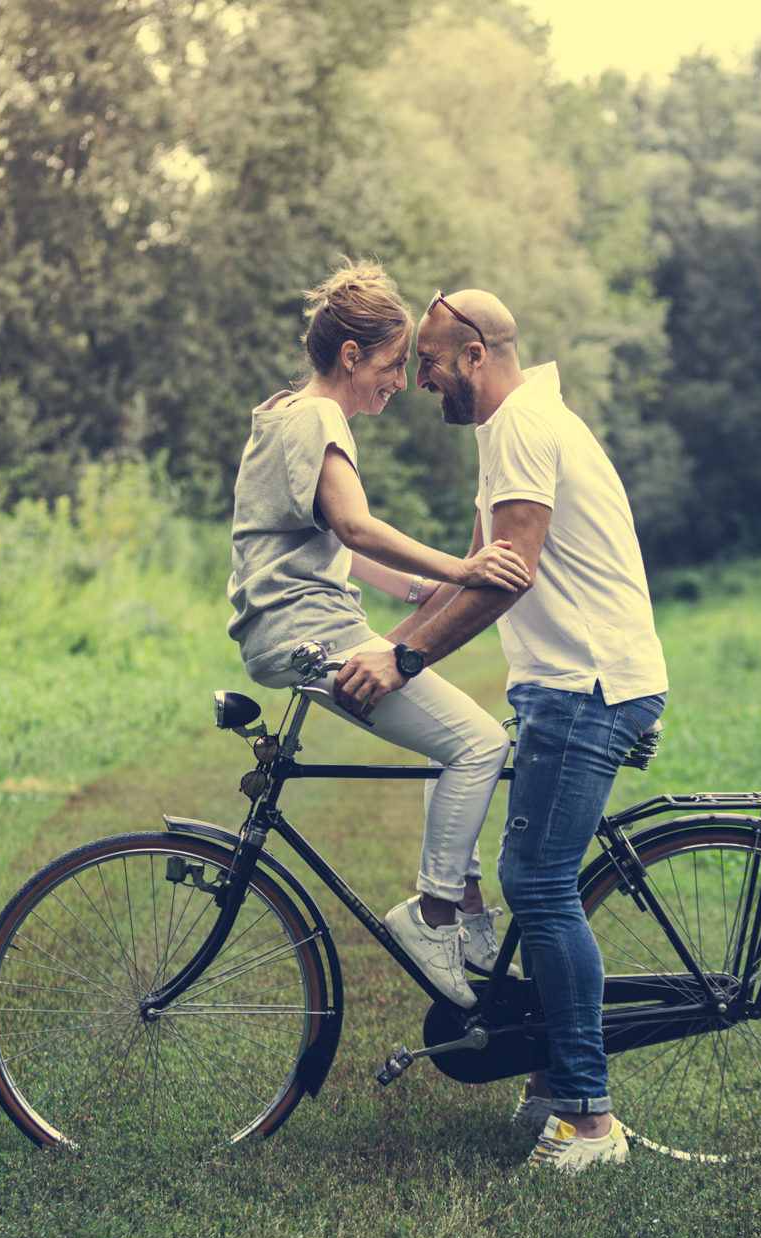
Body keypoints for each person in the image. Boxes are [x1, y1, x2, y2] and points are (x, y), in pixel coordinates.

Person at [335, 288, 668, 1173]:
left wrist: (402, 666)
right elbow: (469, 571)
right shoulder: (513, 428)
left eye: (432, 363)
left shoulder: (522, 423)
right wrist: (386, 647)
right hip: (574, 683)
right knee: (537, 875)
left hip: (583, 686)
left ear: (475, 353)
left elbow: (506, 578)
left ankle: (589, 1122)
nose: (420, 379)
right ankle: (555, 1081)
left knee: (541, 883)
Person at [226, 260, 530, 1009]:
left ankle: (464, 914)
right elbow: (358, 524)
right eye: (395, 365)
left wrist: (421, 588)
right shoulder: (321, 417)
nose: (401, 382)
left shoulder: (283, 412)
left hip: (293, 628)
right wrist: (465, 572)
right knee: (483, 745)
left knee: (452, 742)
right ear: (352, 357)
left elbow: (340, 544)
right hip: (310, 633)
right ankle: (433, 916)